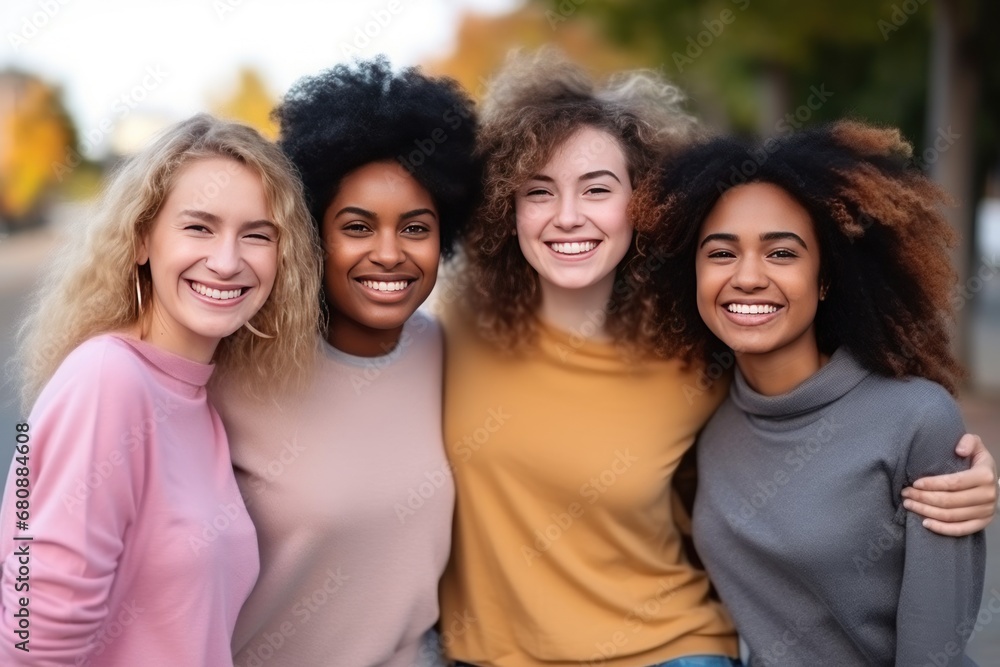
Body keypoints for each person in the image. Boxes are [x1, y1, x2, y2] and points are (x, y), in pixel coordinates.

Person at [437, 51, 996, 667]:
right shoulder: (452, 330)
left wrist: (962, 475)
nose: (568, 215)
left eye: (597, 189)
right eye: (538, 191)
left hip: (668, 653)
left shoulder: (690, 355)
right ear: (505, 209)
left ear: (641, 205)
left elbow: (831, 413)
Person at [650, 121, 985, 665]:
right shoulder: (708, 420)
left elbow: (934, 650)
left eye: (781, 253)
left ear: (825, 278)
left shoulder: (917, 419)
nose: (749, 276)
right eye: (721, 253)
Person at [0, 114, 322, 666]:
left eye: (257, 235)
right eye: (198, 227)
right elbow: (33, 640)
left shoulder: (200, 398)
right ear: (142, 240)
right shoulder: (108, 381)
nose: (226, 261)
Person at [210, 58, 480, 666]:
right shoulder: (237, 362)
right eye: (357, 227)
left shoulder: (441, 351)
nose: (389, 254)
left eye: (416, 228)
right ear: (313, 234)